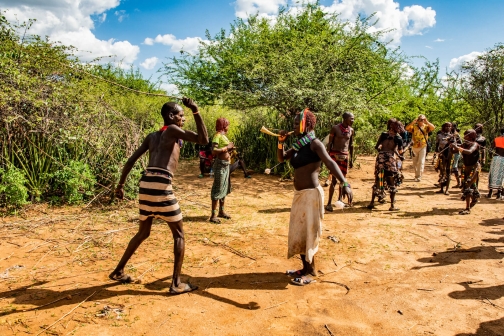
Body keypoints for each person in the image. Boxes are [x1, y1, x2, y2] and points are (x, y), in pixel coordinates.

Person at [110, 98, 208, 294]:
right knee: (179, 235)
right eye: (181, 115)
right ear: (171, 117)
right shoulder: (171, 130)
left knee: (143, 232)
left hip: (146, 184)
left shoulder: (152, 136)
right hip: (161, 185)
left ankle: (119, 270)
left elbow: (131, 161)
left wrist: (120, 186)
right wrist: (196, 111)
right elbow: (203, 140)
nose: (184, 119)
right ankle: (176, 284)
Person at [277, 108, 353, 286]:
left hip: (311, 195)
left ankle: (311, 272)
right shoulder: (299, 144)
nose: (293, 126)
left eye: (297, 123)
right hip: (300, 195)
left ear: (306, 124)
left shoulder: (315, 144)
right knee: (300, 232)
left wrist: (345, 183)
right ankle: (304, 268)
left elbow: (330, 162)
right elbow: (281, 159)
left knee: (310, 233)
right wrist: (280, 143)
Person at [210, 118, 251, 223]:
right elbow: (214, 151)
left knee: (224, 188)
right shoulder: (217, 136)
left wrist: (230, 148)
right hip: (220, 165)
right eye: (227, 125)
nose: (228, 127)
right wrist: (226, 148)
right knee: (217, 189)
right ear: (223, 125)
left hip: (226, 165)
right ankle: (213, 215)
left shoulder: (223, 136)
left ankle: (221, 212)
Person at [367, 119, 405, 211]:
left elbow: (377, 146)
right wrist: (401, 153)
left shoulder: (384, 134)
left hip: (380, 158)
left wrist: (382, 152)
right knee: (392, 181)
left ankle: (372, 202)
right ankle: (392, 205)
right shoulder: (398, 138)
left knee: (378, 178)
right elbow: (400, 151)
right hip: (390, 160)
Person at [325, 112, 355, 211]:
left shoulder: (351, 130)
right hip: (334, 155)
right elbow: (330, 143)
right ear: (345, 119)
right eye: (351, 119)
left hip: (345, 156)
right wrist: (327, 157)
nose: (352, 121)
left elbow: (351, 145)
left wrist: (351, 160)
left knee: (343, 179)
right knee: (334, 180)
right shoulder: (335, 128)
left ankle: (339, 200)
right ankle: (329, 203)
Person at [451, 129, 480, 215]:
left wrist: (458, 147)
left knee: (468, 185)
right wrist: (452, 145)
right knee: (466, 186)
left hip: (474, 168)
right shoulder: (464, 144)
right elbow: (453, 151)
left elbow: (469, 152)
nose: (464, 137)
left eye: (466, 135)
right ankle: (474, 197)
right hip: (466, 167)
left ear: (471, 137)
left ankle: (468, 208)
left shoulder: (475, 144)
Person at [405, 114, 436, 181]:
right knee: (415, 162)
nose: (422, 121)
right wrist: (413, 122)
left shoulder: (426, 127)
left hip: (423, 146)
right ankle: (416, 175)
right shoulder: (414, 126)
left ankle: (419, 176)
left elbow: (433, 128)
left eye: (423, 119)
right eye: (420, 119)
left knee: (421, 161)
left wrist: (426, 121)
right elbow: (407, 128)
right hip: (414, 146)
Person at [434, 122, 453, 194]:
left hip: (450, 155)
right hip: (442, 155)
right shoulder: (439, 135)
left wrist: (451, 141)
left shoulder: (453, 136)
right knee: (442, 171)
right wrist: (435, 154)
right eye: (446, 126)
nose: (448, 128)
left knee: (448, 172)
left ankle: (447, 189)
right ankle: (441, 188)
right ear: (443, 127)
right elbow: (437, 145)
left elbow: (458, 145)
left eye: (449, 126)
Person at [487, 127, 504, 199]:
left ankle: (490, 193)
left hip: (496, 158)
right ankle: (498, 194)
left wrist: (491, 157)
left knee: (493, 174)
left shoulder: (496, 139)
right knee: (502, 176)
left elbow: (490, 150)